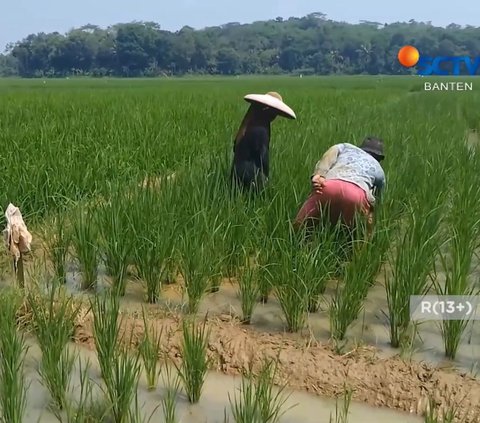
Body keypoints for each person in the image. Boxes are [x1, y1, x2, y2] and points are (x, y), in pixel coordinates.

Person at [294, 137, 386, 236]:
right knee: (359, 231)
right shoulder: (379, 170)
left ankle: (295, 238)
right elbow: (377, 200)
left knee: (301, 225)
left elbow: (330, 154)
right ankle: (362, 247)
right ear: (379, 158)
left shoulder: (345, 147)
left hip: (329, 186)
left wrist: (319, 174)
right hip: (357, 194)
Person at [231, 92, 296, 191]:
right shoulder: (260, 130)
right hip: (251, 175)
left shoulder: (250, 124)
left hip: (237, 172)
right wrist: (265, 178)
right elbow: (262, 158)